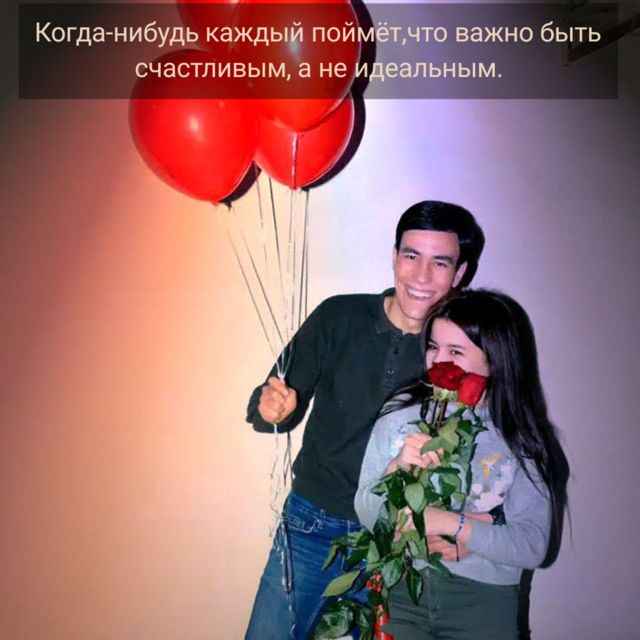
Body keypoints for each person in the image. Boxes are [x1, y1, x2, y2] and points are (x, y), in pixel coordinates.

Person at [244, 201, 486, 640]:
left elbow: (488, 442)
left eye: (440, 262)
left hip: (394, 542)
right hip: (310, 525)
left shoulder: (459, 349)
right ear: (394, 257)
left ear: (460, 273)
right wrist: (271, 409)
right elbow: (270, 402)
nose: (422, 276)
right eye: (411, 256)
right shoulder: (339, 316)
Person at [354, 289, 570, 640]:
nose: (438, 361)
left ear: (495, 360)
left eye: (456, 351)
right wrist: (396, 466)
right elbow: (366, 513)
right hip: (403, 595)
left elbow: (532, 545)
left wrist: (452, 524)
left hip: (483, 602)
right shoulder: (399, 418)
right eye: (433, 347)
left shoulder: (521, 438)